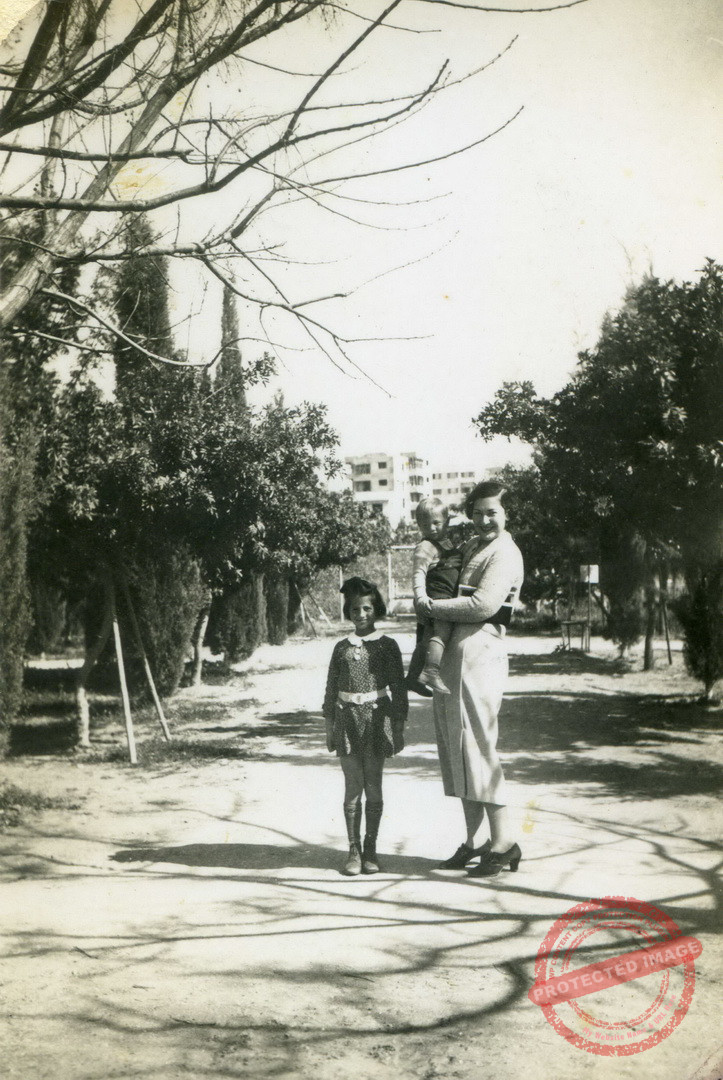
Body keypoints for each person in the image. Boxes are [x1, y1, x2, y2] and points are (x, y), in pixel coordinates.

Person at [416, 481, 524, 877]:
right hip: (454, 659)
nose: (484, 520)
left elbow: (483, 604)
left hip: (480, 657)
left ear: (506, 514)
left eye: (492, 512)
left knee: (478, 744)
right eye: (477, 512)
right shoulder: (474, 546)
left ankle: (504, 842)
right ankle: (474, 841)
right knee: (457, 748)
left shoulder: (505, 552)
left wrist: (430, 605)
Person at [323, 577, 408, 876]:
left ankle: (370, 848)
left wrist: (398, 727)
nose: (361, 614)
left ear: (376, 610)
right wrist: (329, 725)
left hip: (376, 720)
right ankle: (353, 849)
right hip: (346, 720)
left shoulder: (387, 646)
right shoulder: (341, 648)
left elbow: (399, 689)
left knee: (373, 784)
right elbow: (331, 689)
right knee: (352, 785)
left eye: (367, 609)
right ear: (348, 611)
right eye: (355, 609)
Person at [406, 498, 464, 696]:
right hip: (435, 597)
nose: (431, 528)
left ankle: (412, 678)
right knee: (441, 633)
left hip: (442, 595)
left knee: (426, 639)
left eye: (436, 523)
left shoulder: (445, 543)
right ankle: (431, 671)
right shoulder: (425, 546)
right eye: (425, 524)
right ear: (419, 525)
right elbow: (418, 573)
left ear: (446, 521)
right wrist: (421, 597)